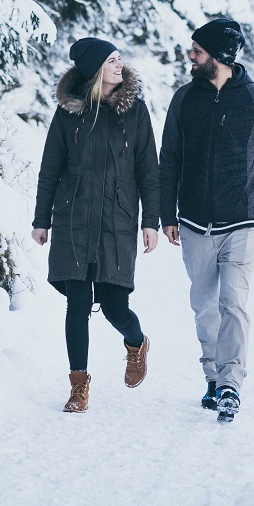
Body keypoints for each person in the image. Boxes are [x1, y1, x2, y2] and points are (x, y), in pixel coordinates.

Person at [159, 18, 254, 423]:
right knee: (205, 306)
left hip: (241, 224)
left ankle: (230, 386)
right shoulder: (184, 99)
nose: (190, 56)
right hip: (193, 224)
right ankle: (211, 375)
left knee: (233, 304)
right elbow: (168, 159)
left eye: (197, 51)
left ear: (219, 58)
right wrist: (165, 213)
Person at [32, 37, 160, 413]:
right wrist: (42, 220)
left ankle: (136, 343)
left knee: (117, 306)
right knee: (77, 303)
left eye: (119, 59)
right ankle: (78, 385)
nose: (119, 65)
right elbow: (50, 169)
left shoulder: (135, 111)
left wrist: (149, 221)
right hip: (73, 218)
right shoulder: (69, 113)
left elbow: (149, 171)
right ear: (94, 70)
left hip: (116, 220)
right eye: (112, 60)